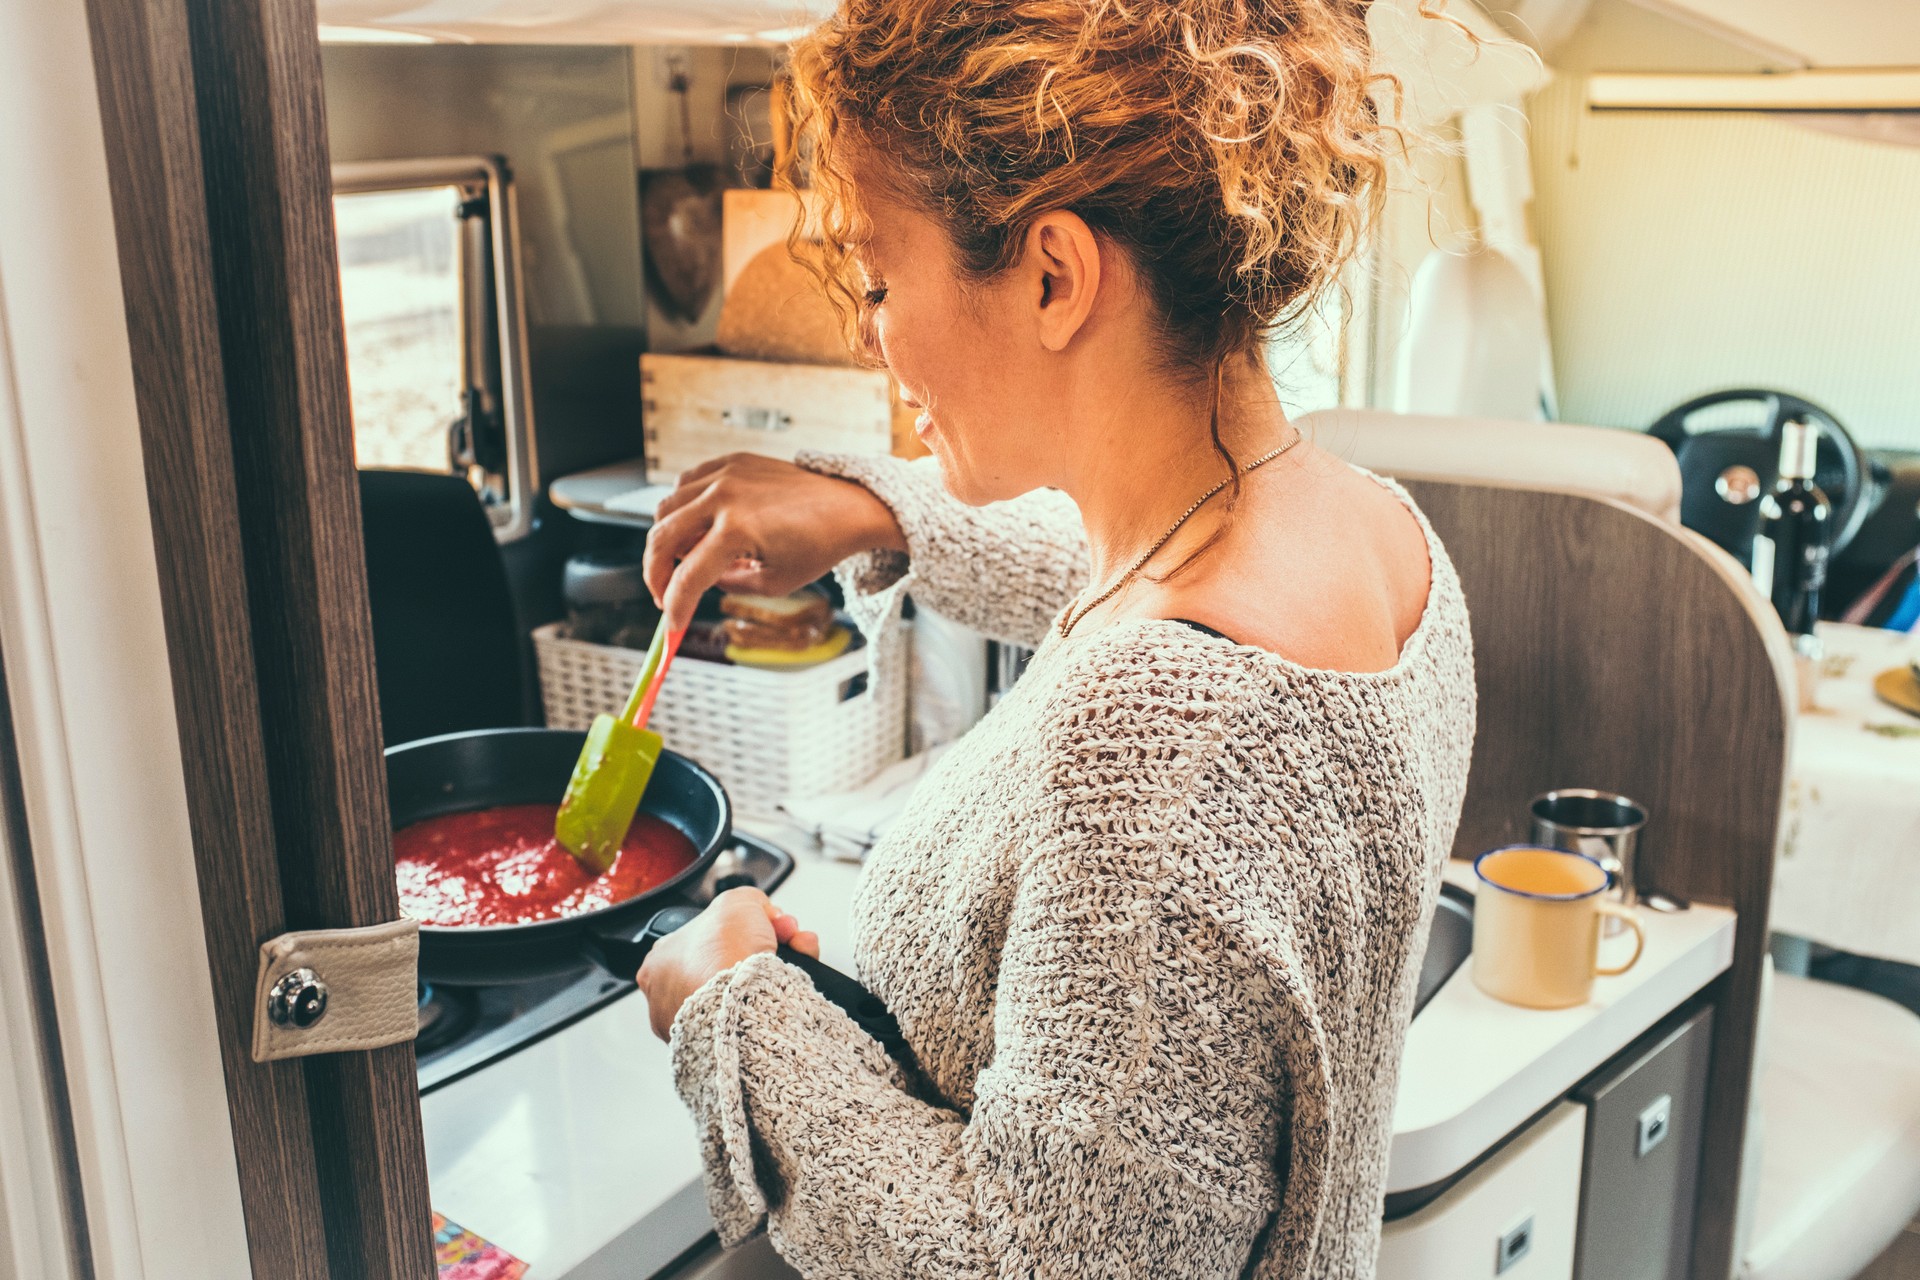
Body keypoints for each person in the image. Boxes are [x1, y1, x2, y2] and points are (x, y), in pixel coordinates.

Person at [634, 0, 1477, 1272]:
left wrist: (730, 1007)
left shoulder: (1158, 737)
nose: (871, 329)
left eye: (877, 274)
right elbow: (1113, 575)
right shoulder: (1380, 538)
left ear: (1052, 273)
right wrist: (883, 505)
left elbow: (1025, 1261)